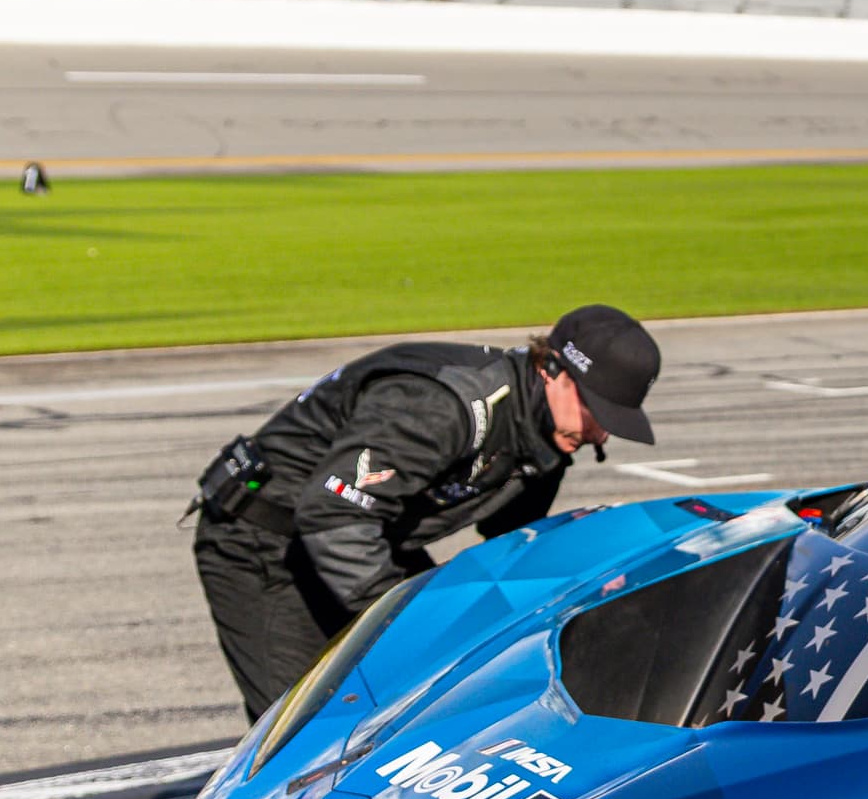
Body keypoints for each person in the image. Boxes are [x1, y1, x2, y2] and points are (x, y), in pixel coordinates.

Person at [188, 307, 662, 719]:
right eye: (596, 411)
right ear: (553, 369)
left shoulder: (544, 431)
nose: (600, 434)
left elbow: (512, 542)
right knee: (306, 728)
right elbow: (335, 514)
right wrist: (404, 619)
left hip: (362, 536)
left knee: (433, 687)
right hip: (263, 543)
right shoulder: (443, 406)